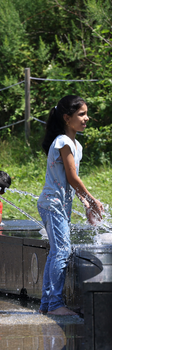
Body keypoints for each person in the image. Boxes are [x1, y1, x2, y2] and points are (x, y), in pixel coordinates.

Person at [37, 95, 104, 316]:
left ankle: (48, 304)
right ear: (67, 118)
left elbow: (70, 183)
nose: (86, 118)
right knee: (62, 251)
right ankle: (55, 304)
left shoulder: (76, 145)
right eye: (81, 114)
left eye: (86, 113)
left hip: (58, 205)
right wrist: (93, 199)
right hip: (52, 204)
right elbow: (72, 177)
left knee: (58, 251)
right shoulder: (62, 142)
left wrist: (86, 204)